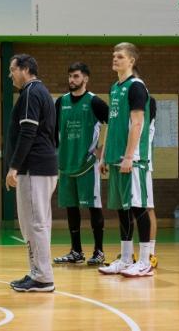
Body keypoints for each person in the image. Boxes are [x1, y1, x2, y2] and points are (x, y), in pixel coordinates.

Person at [98, 42, 154, 278]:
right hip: (115, 158)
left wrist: (130, 156)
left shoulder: (136, 87)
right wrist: (104, 155)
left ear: (131, 61)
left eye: (120, 56)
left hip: (134, 159)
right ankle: (124, 257)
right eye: (113, 55)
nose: (115, 59)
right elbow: (113, 125)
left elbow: (138, 123)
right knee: (122, 209)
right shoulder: (115, 87)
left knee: (138, 208)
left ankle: (144, 261)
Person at [5, 54, 57, 292]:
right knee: (34, 223)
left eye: (12, 70)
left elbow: (28, 132)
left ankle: (43, 277)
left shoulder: (31, 93)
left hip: (34, 168)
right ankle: (36, 272)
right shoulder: (40, 93)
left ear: (25, 69)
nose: (10, 75)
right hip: (39, 167)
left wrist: (14, 166)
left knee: (35, 223)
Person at [53, 62, 108, 266]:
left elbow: (115, 125)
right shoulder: (61, 102)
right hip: (66, 164)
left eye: (75, 76)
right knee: (71, 208)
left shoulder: (94, 102)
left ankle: (99, 251)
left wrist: (102, 152)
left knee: (94, 207)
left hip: (87, 165)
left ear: (85, 78)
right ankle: (76, 251)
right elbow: (53, 132)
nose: (71, 80)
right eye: (70, 76)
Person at [146, 97, 158, 268]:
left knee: (147, 208)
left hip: (143, 165)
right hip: (128, 165)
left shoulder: (145, 121)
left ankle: (150, 253)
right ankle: (129, 253)